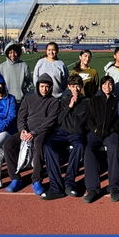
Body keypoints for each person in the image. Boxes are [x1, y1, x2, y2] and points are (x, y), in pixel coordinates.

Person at [4, 76, 60, 194]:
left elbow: (49, 121)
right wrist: (22, 130)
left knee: (39, 145)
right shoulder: (28, 99)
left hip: (42, 131)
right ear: (37, 86)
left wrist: (35, 132)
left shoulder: (54, 102)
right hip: (26, 131)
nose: (44, 89)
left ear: (50, 87)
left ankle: (36, 180)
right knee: (8, 145)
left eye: (46, 87)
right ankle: (15, 178)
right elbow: (21, 117)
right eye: (42, 86)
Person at [41, 72, 88, 200]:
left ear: (81, 86)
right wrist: (69, 106)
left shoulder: (87, 102)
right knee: (50, 146)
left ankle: (69, 182)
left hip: (77, 134)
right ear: (68, 87)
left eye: (78, 86)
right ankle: (56, 187)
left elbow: (88, 121)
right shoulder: (64, 101)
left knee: (79, 145)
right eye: (73, 86)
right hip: (63, 133)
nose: (75, 89)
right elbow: (59, 120)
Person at [83, 75, 119, 203]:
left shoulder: (118, 101)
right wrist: (95, 129)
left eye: (110, 84)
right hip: (95, 133)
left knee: (113, 148)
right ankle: (93, 188)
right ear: (101, 86)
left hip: (111, 133)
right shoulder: (94, 100)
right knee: (89, 149)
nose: (107, 87)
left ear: (113, 86)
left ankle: (114, 186)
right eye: (105, 84)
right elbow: (89, 118)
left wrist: (110, 130)